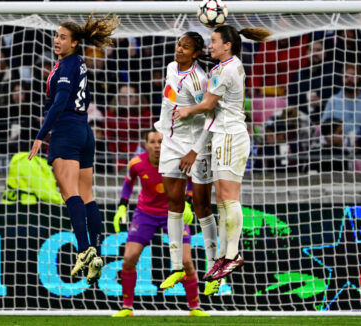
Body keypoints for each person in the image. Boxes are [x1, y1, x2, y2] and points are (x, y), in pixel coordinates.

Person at [174, 25, 271, 282]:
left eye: (215, 41)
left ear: (227, 45)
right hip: (224, 135)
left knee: (229, 198)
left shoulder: (226, 69)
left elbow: (207, 105)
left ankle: (233, 255)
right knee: (222, 201)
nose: (211, 45)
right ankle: (224, 256)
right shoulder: (228, 65)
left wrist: (186, 111)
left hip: (230, 136)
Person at [29, 14, 120, 285]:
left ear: (75, 43)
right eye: (56, 35)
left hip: (66, 132)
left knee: (70, 194)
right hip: (85, 132)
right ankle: (98, 253)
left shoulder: (67, 65)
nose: (57, 40)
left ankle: (83, 250)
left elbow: (59, 103)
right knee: (87, 195)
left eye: (63, 37)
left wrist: (40, 136)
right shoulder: (79, 62)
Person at [111, 129, 209, 317]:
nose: (157, 145)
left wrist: (188, 202)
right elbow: (128, 182)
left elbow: (193, 181)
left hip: (174, 213)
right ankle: (127, 307)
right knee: (129, 258)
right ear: (146, 145)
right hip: (145, 214)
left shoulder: (179, 161)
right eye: (153, 142)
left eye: (160, 142)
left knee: (186, 261)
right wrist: (122, 205)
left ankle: (195, 307)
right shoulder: (136, 163)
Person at [151, 32, 219, 296]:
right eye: (179, 44)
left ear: (196, 53)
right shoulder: (170, 67)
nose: (179, 49)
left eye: (186, 47)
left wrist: (194, 151)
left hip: (197, 147)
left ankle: (214, 269)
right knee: (174, 204)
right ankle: (177, 266)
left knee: (202, 206)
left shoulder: (200, 80)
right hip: (170, 143)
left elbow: (212, 118)